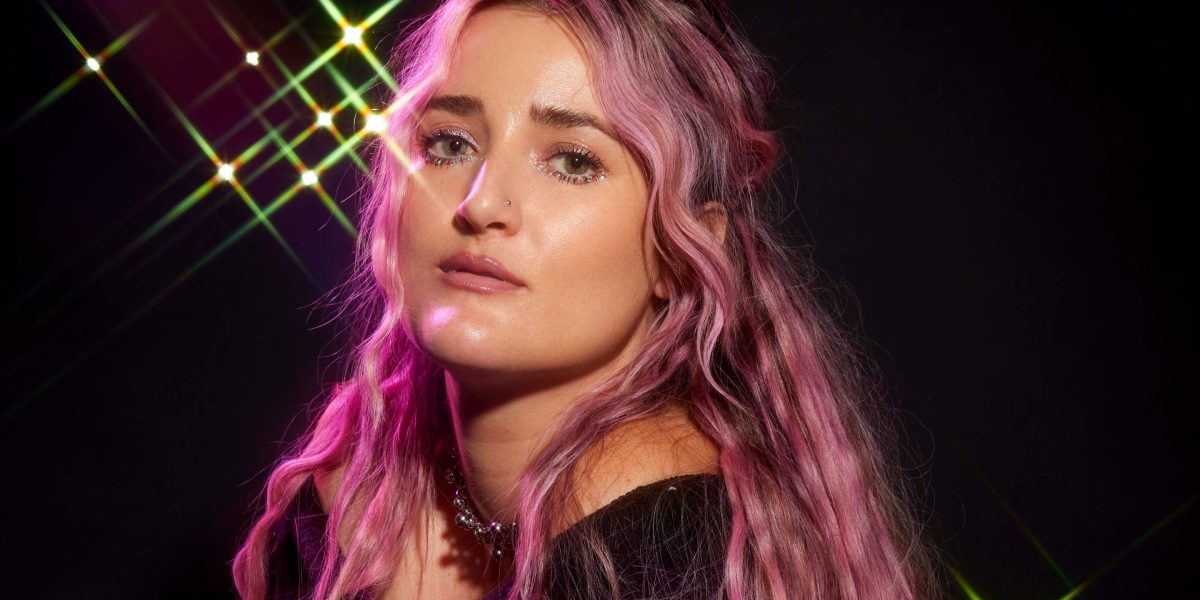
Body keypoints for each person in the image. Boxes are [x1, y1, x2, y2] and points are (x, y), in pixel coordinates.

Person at [233, 0, 937, 598]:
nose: (481, 203)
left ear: (680, 249)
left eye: (572, 161)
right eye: (449, 143)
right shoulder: (352, 501)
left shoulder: (669, 555)